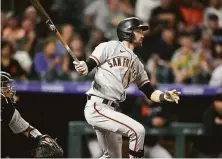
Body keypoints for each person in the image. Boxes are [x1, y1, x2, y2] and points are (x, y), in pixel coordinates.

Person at [73, 17, 180, 158]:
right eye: (138, 31)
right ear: (128, 32)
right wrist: (84, 67)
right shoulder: (110, 46)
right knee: (138, 131)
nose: (142, 35)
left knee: (112, 157)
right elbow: (89, 65)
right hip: (98, 105)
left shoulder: (138, 64)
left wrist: (163, 96)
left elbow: (149, 92)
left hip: (111, 109)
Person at [1, 71, 63, 158]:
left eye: (8, 86)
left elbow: (27, 129)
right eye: (4, 86)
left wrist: (42, 138)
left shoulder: (7, 108)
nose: (8, 89)